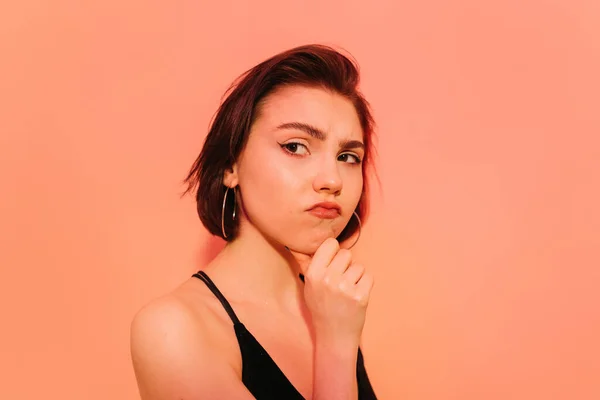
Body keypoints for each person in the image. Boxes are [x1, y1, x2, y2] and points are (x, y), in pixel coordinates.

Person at [130, 44, 379, 400]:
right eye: (295, 146)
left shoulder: (331, 303)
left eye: (347, 156)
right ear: (231, 165)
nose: (333, 179)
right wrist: (337, 346)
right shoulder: (173, 330)